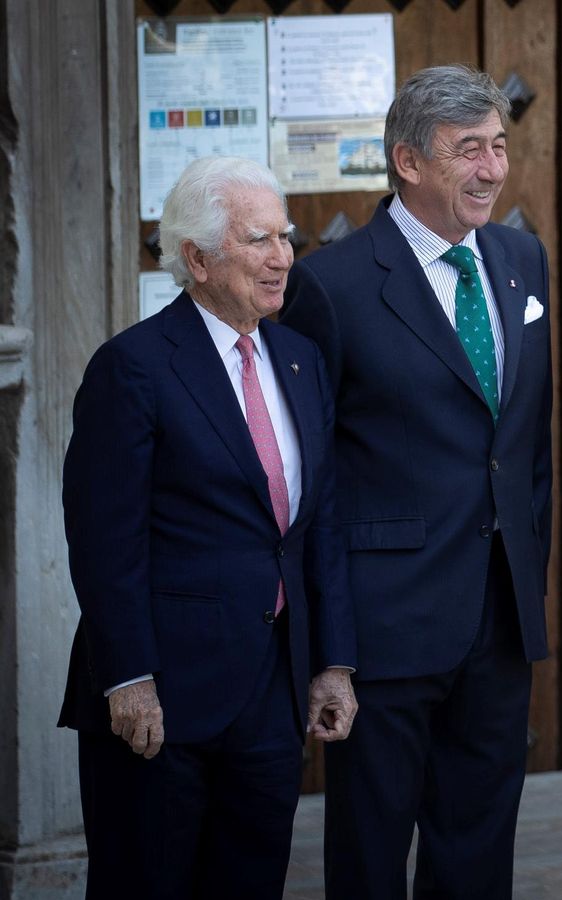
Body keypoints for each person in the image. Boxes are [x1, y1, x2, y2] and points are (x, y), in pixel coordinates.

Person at [281, 64, 554, 899]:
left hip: (500, 613)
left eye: (500, 147)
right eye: (468, 150)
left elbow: (523, 442)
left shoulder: (520, 257)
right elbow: (313, 475)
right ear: (407, 160)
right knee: (369, 850)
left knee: (479, 844)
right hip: (387, 621)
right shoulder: (331, 283)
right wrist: (332, 646)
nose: (493, 168)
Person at [58, 155, 357, 899]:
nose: (284, 257)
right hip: (164, 694)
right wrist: (127, 678)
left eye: (286, 238)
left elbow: (316, 522)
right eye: (260, 241)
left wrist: (334, 661)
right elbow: (104, 541)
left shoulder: (300, 360)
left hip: (270, 690)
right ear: (196, 257)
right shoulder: (132, 367)